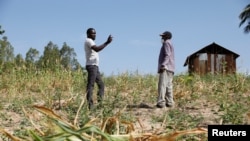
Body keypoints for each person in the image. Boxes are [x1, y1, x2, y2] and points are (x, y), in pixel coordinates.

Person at [84, 28, 113, 110]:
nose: (94, 35)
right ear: (88, 34)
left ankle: (100, 104)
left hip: (95, 66)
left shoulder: (91, 41)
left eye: (95, 33)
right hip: (91, 66)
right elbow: (97, 49)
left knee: (101, 85)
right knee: (91, 85)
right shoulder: (88, 41)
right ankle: (90, 106)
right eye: (93, 34)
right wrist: (107, 42)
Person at [156, 31, 175, 108]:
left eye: (163, 36)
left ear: (166, 37)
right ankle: (170, 102)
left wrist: (163, 65)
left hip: (166, 67)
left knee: (162, 85)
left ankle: (161, 102)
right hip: (171, 68)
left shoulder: (166, 43)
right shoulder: (170, 43)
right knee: (168, 86)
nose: (162, 38)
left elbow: (167, 55)